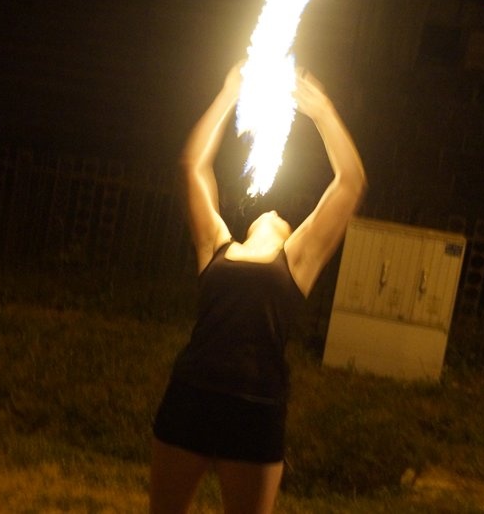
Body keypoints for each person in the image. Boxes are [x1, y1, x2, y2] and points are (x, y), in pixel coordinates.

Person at [149, 62, 367, 514]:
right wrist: (230, 92)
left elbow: (350, 183)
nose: (273, 212)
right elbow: (192, 166)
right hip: (191, 393)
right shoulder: (216, 247)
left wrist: (322, 111)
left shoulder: (296, 261)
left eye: (284, 216)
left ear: (291, 233)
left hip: (256, 407)